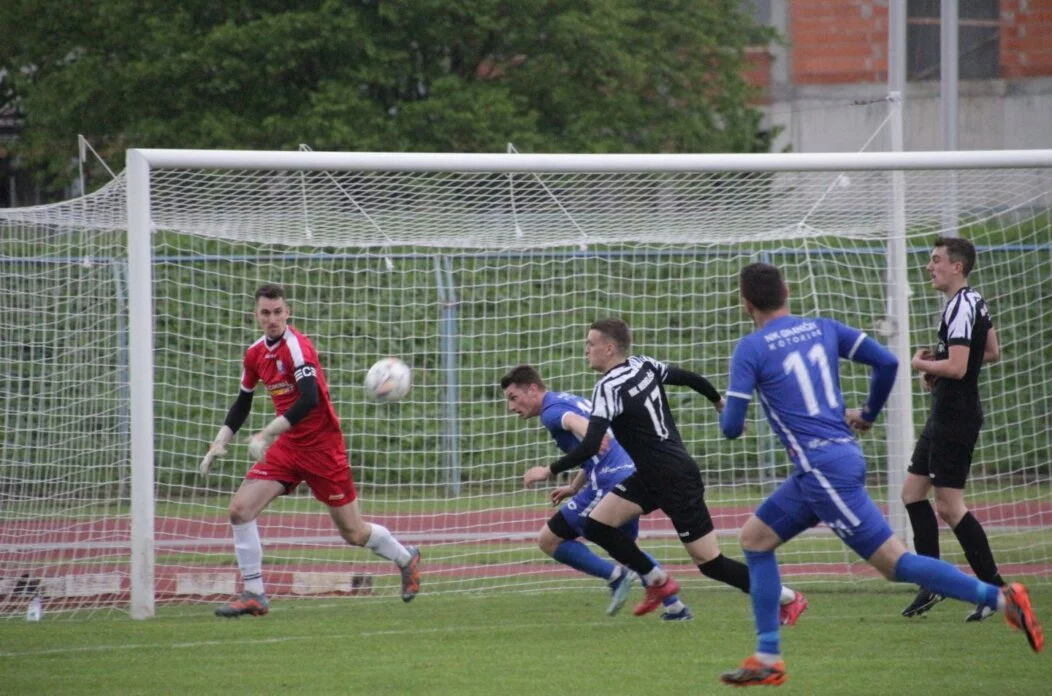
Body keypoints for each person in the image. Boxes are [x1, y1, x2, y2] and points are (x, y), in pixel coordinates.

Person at [717, 262, 1041, 687]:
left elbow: (731, 428)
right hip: (833, 463)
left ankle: (1001, 599)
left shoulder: (751, 348)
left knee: (894, 564)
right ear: (787, 291)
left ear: (746, 304)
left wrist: (730, 412)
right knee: (754, 541)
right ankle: (767, 657)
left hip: (822, 472)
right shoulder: (823, 327)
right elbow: (886, 362)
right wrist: (868, 414)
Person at [521, 319, 807, 625]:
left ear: (609, 347)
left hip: (674, 479)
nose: (586, 350)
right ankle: (657, 581)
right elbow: (689, 378)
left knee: (710, 563)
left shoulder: (608, 387)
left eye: (590, 344)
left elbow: (592, 445)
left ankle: (788, 598)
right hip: (651, 475)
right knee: (596, 525)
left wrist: (548, 471)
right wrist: (718, 401)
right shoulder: (643, 365)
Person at [199, 283, 421, 617]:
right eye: (265, 313)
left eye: (278, 312)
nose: (272, 319)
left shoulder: (298, 348)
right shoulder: (255, 353)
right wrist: (220, 442)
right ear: (256, 315)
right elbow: (242, 402)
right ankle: (254, 594)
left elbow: (309, 399)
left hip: (323, 449)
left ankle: (406, 559)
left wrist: (266, 434)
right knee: (240, 511)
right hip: (289, 447)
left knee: (353, 532)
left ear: (287, 312)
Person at [501, 364, 692, 620]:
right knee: (626, 549)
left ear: (533, 389)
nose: (511, 406)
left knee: (549, 539)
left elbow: (579, 425)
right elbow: (592, 447)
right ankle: (675, 608)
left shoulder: (551, 411)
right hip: (631, 474)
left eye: (514, 397)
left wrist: (548, 470)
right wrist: (574, 486)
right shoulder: (568, 399)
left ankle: (616, 577)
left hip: (609, 479)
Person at [901, 236, 1005, 621]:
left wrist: (922, 365)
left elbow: (959, 368)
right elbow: (990, 352)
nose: (930, 267)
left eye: (936, 260)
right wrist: (940, 366)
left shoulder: (961, 305)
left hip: (955, 416)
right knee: (912, 494)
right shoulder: (973, 300)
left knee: (949, 506)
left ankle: (995, 590)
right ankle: (933, 583)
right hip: (946, 411)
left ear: (956, 266)